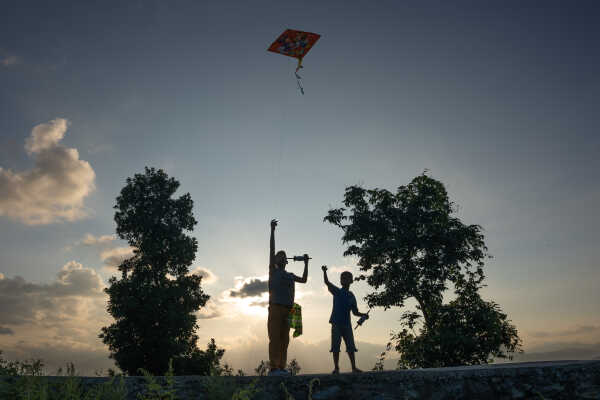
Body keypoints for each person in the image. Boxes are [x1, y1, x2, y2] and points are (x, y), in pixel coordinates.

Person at [268, 219, 308, 376]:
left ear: (286, 261)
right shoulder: (273, 270)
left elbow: (304, 280)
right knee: (274, 339)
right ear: (276, 261)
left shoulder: (290, 275)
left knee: (285, 340)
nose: (281, 257)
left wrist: (306, 263)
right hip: (276, 307)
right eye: (279, 256)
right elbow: (271, 250)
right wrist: (272, 230)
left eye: (283, 256)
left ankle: (281, 367)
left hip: (289, 309)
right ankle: (273, 367)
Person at [322, 265, 369, 374]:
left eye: (347, 278)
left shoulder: (351, 296)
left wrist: (363, 316)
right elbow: (327, 282)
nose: (345, 280)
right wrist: (324, 272)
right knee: (335, 346)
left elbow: (355, 312)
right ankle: (336, 368)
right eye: (343, 278)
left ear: (351, 281)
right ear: (341, 281)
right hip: (336, 323)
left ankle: (353, 367)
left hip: (346, 324)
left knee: (351, 346)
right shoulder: (337, 291)